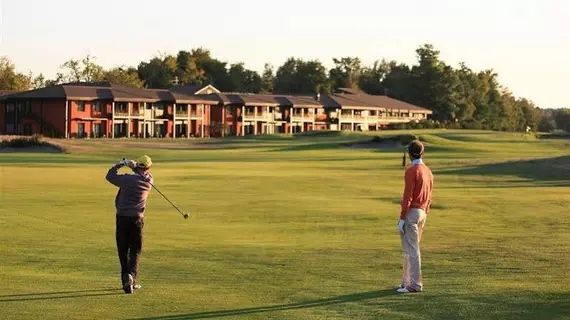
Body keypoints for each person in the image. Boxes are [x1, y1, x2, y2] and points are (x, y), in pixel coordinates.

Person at [105, 155, 154, 294]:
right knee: (135, 250)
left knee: (123, 251)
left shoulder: (127, 179)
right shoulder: (149, 181)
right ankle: (132, 278)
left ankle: (126, 281)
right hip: (137, 220)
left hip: (121, 218)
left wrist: (120, 164)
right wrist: (134, 167)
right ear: (149, 168)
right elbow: (143, 174)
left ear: (137, 166)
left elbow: (109, 176)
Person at [397, 140, 433, 293]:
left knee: (411, 249)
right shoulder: (428, 171)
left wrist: (402, 217)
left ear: (410, 154)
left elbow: (408, 196)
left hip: (412, 213)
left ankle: (414, 285)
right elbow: (430, 196)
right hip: (423, 212)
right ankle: (406, 282)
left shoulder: (412, 171)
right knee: (409, 248)